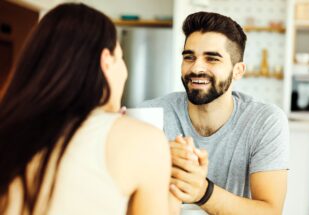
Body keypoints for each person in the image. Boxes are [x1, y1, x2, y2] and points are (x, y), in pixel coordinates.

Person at [0, 3, 180, 215]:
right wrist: (172, 189)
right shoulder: (142, 140)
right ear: (106, 61)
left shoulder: (9, 127)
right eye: (120, 57)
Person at [139, 11, 289, 214]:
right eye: (189, 57)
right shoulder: (151, 115)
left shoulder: (264, 121)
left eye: (212, 59)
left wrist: (202, 191)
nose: (196, 68)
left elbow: (270, 211)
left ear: (238, 71)